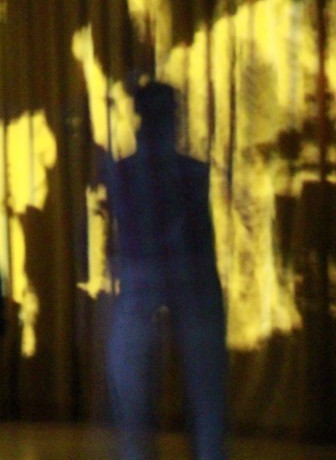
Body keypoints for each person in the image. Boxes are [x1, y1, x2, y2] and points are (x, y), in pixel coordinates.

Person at [103, 81, 227, 460]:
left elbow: (124, 235)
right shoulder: (190, 172)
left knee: (135, 403)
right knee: (205, 396)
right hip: (190, 275)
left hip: (147, 276)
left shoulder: (123, 173)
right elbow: (202, 234)